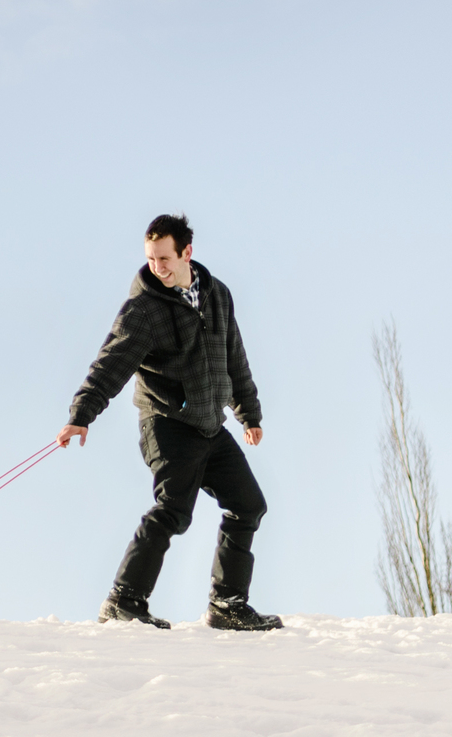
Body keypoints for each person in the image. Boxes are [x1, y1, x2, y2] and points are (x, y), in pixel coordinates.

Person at [56, 214, 283, 632]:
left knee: (249, 505)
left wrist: (247, 411)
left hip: (210, 425)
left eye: (164, 258)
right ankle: (124, 600)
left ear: (186, 253)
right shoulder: (143, 309)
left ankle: (228, 604)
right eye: (150, 258)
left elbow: (233, 356)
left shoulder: (217, 295)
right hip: (166, 423)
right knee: (174, 511)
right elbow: (112, 363)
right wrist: (81, 416)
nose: (157, 266)